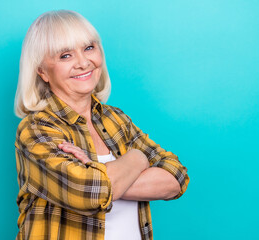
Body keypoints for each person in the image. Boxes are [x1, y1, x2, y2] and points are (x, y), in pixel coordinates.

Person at [14, 10, 190, 240]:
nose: (83, 62)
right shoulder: (36, 129)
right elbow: (90, 194)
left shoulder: (115, 119)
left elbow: (176, 178)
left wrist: (100, 173)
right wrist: (138, 159)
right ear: (42, 71)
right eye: (65, 55)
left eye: (89, 48)